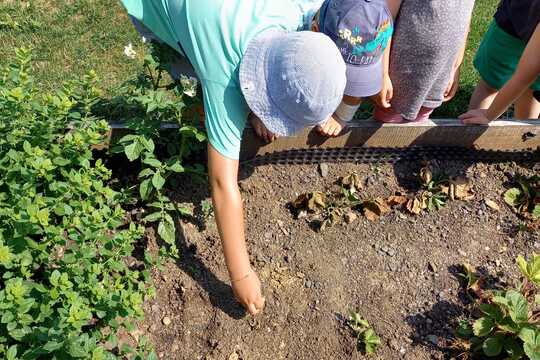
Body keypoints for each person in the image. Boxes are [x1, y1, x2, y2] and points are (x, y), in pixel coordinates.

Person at [120, 0, 347, 316]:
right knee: (184, 62)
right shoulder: (222, 80)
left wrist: (259, 105)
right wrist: (240, 273)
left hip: (221, 15)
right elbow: (222, 183)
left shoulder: (300, 12)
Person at [371, 0, 474, 124]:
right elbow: (385, 18)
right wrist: (383, 73)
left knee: (420, 121)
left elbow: (466, 20)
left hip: (440, 72)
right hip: (401, 74)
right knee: (386, 123)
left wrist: (455, 67)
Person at [311, 0, 396, 136]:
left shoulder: (380, 16)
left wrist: (384, 73)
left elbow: (386, 33)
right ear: (315, 31)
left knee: (355, 88)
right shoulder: (303, 46)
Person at [468, 0, 540, 120]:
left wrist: (488, 115)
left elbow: (525, 76)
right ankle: (519, 136)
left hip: (512, 22)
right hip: (512, 25)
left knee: (489, 86)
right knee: (530, 92)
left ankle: (471, 132)